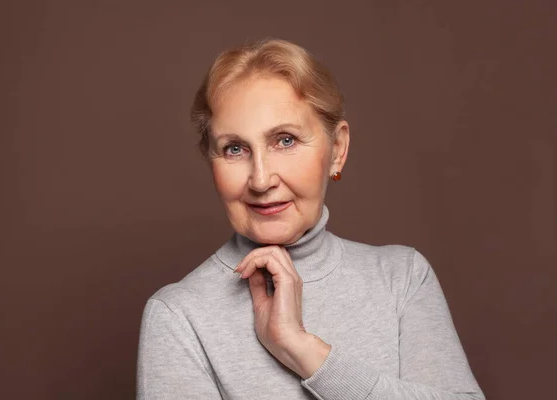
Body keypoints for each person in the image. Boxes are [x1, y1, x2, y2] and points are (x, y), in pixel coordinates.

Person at [136, 38, 485, 399]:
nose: (260, 180)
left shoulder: (403, 278)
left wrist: (304, 352)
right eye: (235, 149)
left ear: (337, 151)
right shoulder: (178, 317)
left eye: (284, 140)